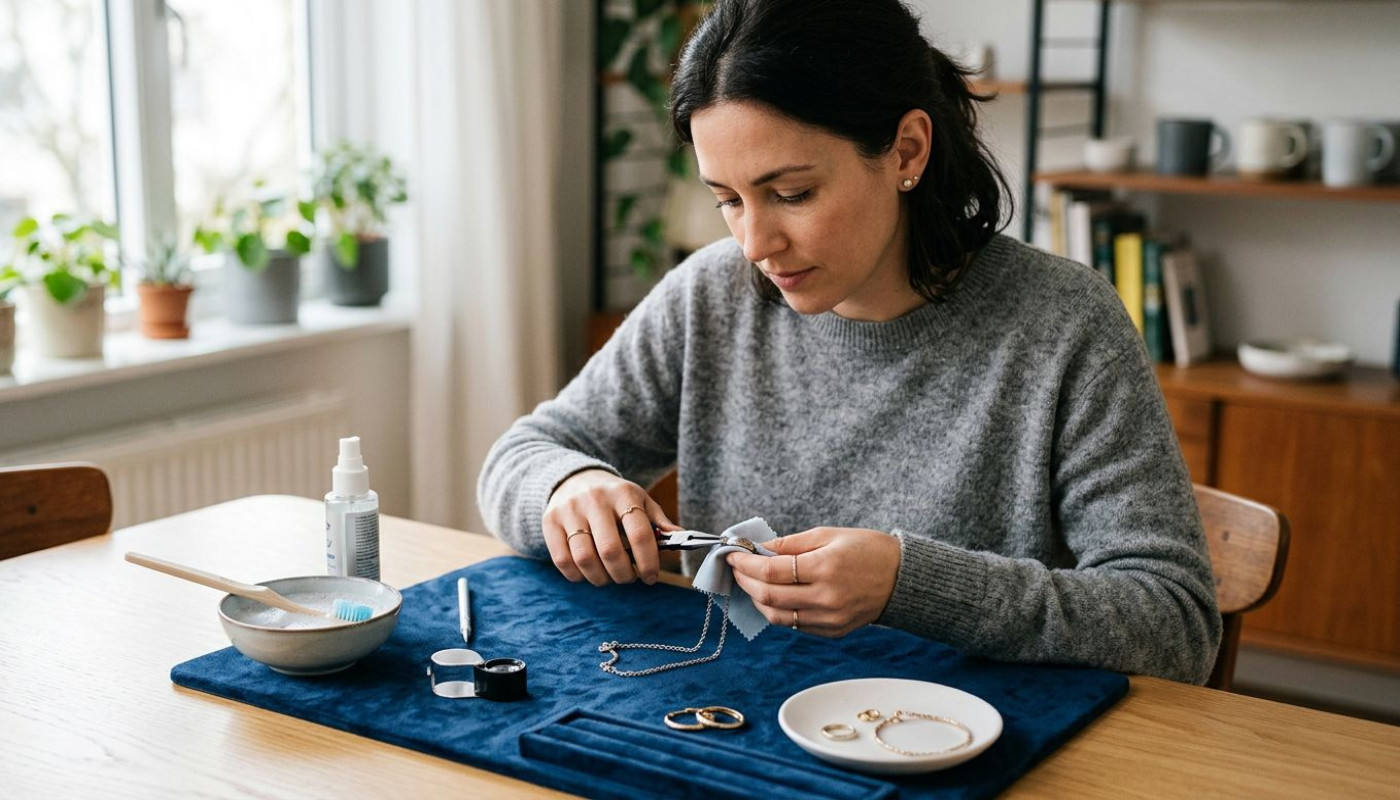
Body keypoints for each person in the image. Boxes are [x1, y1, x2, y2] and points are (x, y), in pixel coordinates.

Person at [478, 0, 1221, 684]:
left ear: (906, 151)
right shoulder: (711, 295)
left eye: (792, 193)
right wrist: (567, 488)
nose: (756, 244)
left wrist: (911, 583)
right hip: (744, 720)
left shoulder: (1064, 324)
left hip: (972, 750)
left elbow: (1175, 624)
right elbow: (520, 457)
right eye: (728, 201)